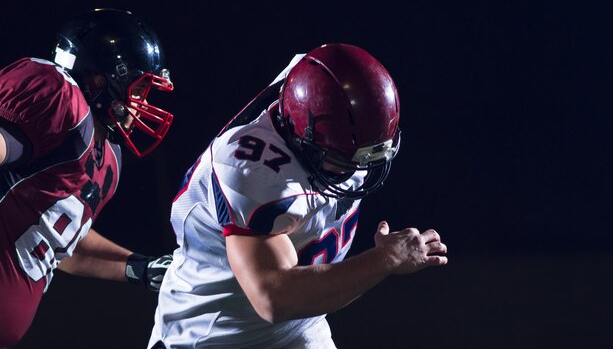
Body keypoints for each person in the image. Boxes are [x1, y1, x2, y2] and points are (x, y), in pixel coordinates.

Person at [149, 43, 448, 349]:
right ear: (302, 139)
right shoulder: (254, 172)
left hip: (298, 331)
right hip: (214, 336)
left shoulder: (319, 97)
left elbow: (327, 75)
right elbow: (273, 298)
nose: (358, 171)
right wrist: (386, 258)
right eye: (345, 161)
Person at [0, 9, 175, 347]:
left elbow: (63, 242)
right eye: (139, 89)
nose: (142, 104)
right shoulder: (58, 96)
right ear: (101, 81)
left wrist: (139, 267)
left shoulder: (108, 160)